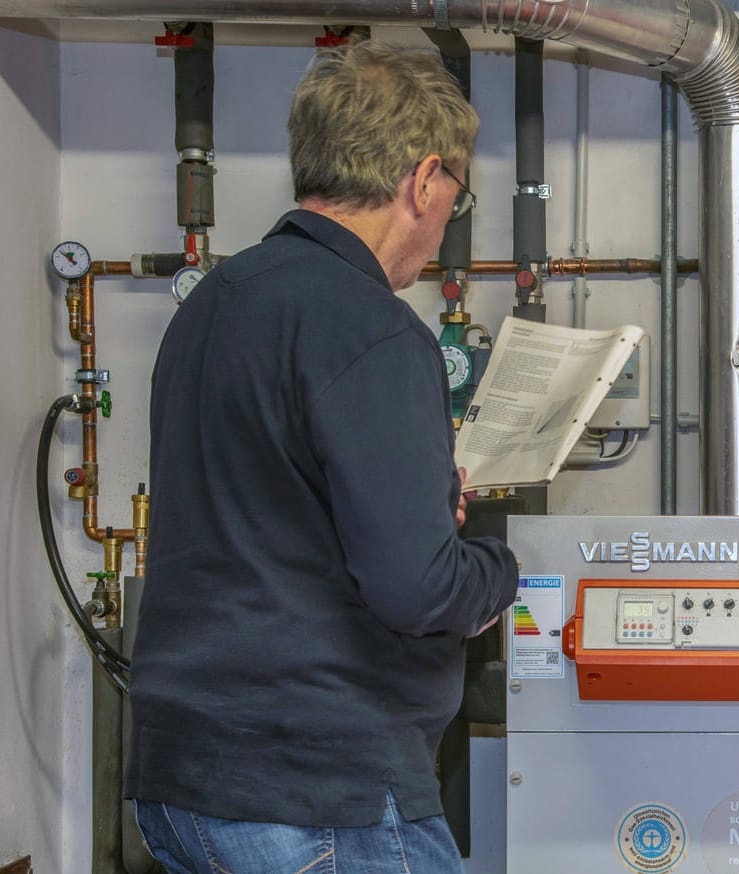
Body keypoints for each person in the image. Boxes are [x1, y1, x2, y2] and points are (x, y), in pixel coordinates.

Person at [125, 40, 517, 873]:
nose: (450, 215)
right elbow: (416, 588)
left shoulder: (214, 306)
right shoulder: (372, 329)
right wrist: (499, 568)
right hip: (318, 795)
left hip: (184, 779)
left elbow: (276, 514)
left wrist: (411, 507)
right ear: (423, 180)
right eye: (457, 193)